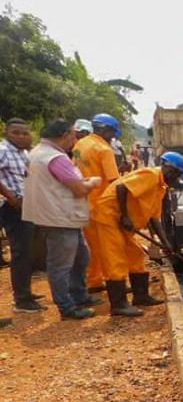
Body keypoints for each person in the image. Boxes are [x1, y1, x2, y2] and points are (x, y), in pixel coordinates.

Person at [22, 120, 104, 320]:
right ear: (65, 135)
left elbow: (59, 183)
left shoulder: (35, 154)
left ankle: (79, 295)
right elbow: (78, 190)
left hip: (57, 215)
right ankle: (67, 307)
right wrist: (93, 182)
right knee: (61, 266)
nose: (74, 141)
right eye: (73, 136)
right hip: (61, 217)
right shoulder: (56, 158)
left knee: (81, 257)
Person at [87, 153, 183, 317]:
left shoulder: (160, 187)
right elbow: (121, 187)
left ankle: (141, 296)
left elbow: (153, 218)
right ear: (167, 167)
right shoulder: (151, 175)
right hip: (109, 216)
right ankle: (118, 305)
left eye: (177, 175)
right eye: (174, 172)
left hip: (123, 222)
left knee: (136, 254)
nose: (174, 177)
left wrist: (165, 243)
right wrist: (124, 216)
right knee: (115, 258)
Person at [74, 113, 123, 292]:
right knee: (109, 247)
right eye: (111, 133)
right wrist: (121, 209)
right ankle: (113, 281)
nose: (112, 137)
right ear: (103, 129)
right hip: (102, 205)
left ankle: (94, 280)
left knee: (92, 245)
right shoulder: (104, 149)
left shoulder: (80, 144)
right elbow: (114, 181)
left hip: (84, 201)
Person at [0, 118, 41, 312]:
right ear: (7, 133)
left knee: (28, 251)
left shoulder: (23, 153)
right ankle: (22, 300)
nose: (22, 136)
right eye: (16, 132)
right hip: (13, 208)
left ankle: (26, 292)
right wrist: (11, 198)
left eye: (25, 133)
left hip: (26, 206)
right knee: (21, 252)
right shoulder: (3, 151)